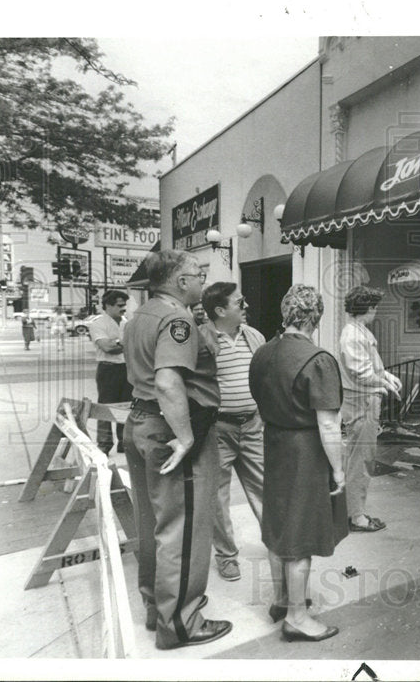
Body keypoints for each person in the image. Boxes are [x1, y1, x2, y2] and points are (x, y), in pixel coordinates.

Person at [122, 249, 232, 650]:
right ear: (181, 282)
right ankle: (181, 623)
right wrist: (186, 438)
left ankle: (157, 609)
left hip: (140, 421)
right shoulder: (176, 319)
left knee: (154, 523)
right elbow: (169, 382)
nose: (203, 282)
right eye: (199, 275)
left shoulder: (141, 315)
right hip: (170, 428)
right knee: (182, 528)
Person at [249, 285, 346, 642]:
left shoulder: (262, 353)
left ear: (285, 312)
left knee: (278, 526)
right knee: (301, 535)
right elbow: (327, 424)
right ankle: (297, 616)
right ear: (315, 318)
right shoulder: (318, 360)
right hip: (305, 450)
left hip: (273, 443)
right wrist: (338, 469)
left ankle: (280, 600)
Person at [200, 282, 266, 583]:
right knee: (217, 497)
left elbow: (265, 377)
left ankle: (277, 541)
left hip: (252, 425)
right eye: (239, 302)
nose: (245, 306)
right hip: (218, 429)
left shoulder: (253, 336)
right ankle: (226, 557)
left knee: (266, 486)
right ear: (220, 310)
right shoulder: (202, 340)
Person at [338, 286, 401, 532]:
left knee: (359, 458)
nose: (376, 311)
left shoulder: (358, 331)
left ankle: (352, 511)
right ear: (368, 308)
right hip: (362, 402)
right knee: (361, 460)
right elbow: (361, 372)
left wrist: (386, 375)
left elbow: (369, 366)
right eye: (375, 307)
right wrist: (383, 382)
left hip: (365, 399)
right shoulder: (352, 335)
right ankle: (356, 516)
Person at [89, 290, 133, 454]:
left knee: (126, 406)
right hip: (108, 369)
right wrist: (124, 344)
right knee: (105, 407)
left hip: (126, 368)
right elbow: (107, 347)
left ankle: (124, 441)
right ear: (108, 305)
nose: (123, 309)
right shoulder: (98, 324)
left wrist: (117, 343)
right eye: (120, 305)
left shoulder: (126, 323)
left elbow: (127, 345)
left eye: (124, 305)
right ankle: (104, 444)